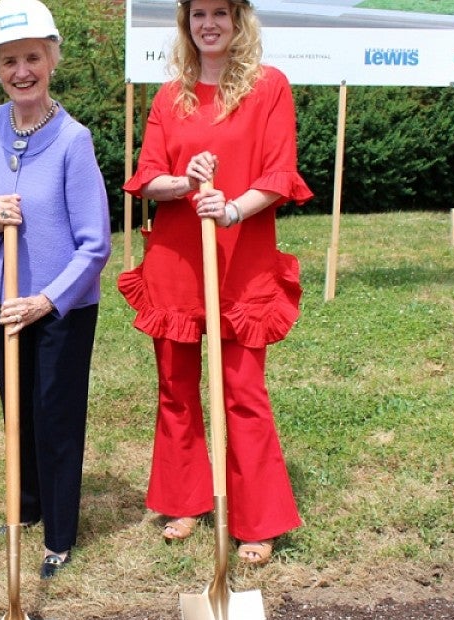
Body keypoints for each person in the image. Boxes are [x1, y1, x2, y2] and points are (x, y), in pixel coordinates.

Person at [118, 0, 312, 565]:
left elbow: (279, 174)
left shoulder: (269, 87)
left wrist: (231, 211)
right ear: (186, 24)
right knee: (175, 387)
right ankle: (184, 499)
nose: (209, 24)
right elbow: (147, 176)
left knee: (243, 391)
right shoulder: (169, 95)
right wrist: (182, 184)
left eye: (220, 13)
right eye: (198, 14)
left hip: (241, 261)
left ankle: (256, 518)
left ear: (239, 20)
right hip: (177, 263)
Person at [0, 0, 111, 579]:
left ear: (52, 61)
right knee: (15, 408)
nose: (23, 71)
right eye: (10, 60)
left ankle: (60, 536)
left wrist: (47, 300)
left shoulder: (73, 141)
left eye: (33, 58)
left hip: (59, 305)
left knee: (55, 413)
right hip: (4, 296)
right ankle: (26, 506)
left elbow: (95, 245)